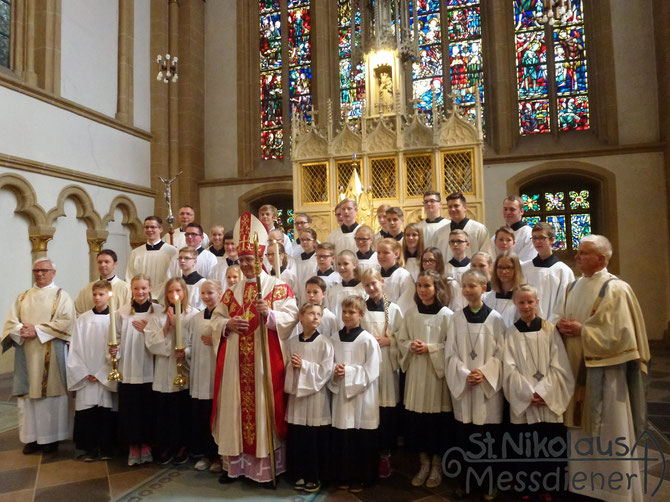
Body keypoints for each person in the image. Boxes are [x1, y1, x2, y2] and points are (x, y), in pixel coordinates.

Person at [555, 235, 649, 502]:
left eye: (584, 253)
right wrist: (562, 326)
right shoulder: (573, 286)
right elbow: (565, 317)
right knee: (579, 432)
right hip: (575, 369)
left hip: (607, 376)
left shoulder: (616, 289)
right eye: (579, 252)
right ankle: (584, 487)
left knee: (611, 430)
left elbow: (621, 336)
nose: (577, 257)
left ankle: (616, 490)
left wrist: (582, 331)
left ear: (601, 258)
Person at [209, 212, 298, 485]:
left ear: (262, 258)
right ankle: (235, 467)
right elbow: (215, 319)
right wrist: (226, 324)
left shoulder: (277, 286)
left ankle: (265, 468)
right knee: (235, 409)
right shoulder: (231, 291)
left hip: (263, 363)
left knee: (261, 410)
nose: (246, 264)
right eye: (243, 259)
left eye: (251, 259)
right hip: (235, 365)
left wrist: (270, 314)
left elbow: (291, 317)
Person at [502, 284, 574, 499]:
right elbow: (508, 368)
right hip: (525, 400)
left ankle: (549, 486)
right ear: (515, 303)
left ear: (537, 302)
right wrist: (527, 394)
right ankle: (526, 486)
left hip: (548, 400)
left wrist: (543, 392)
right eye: (521, 302)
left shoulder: (550, 330)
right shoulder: (511, 333)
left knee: (550, 446)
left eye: (530, 301)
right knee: (525, 446)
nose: (526, 306)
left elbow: (560, 365)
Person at [2, 258, 75, 454]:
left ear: (53, 272)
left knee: (50, 398)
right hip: (25, 353)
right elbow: (10, 322)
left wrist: (38, 330)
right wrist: (20, 330)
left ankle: (51, 439)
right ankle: (31, 438)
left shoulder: (61, 296)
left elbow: (67, 321)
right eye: (36, 271)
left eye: (44, 270)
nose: (40, 274)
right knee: (27, 398)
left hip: (51, 354)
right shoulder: (23, 297)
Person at [445, 269, 506, 499]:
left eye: (473, 286)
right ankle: (466, 481)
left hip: (486, 387)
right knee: (465, 436)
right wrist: (463, 373)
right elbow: (450, 354)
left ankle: (490, 482)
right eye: (465, 286)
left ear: (484, 288)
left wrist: (484, 372)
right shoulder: (456, 318)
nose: (468, 290)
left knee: (488, 437)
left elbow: (501, 355)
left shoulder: (496, 319)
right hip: (466, 386)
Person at [398, 270, 453, 488]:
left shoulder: (447, 315)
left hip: (436, 375)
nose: (422, 290)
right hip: (416, 373)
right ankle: (423, 463)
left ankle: (437, 465)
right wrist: (409, 345)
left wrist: (430, 348)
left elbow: (452, 347)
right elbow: (401, 339)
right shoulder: (411, 314)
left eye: (427, 286)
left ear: (437, 288)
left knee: (436, 422)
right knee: (418, 422)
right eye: (419, 285)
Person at [329, 295, 381, 492]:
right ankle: (343, 476)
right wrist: (334, 370)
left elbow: (373, 370)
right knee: (343, 438)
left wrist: (348, 372)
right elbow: (328, 363)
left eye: (352, 312)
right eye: (344, 311)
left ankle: (362, 478)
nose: (347, 315)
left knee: (361, 438)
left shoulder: (367, 340)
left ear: (361, 314)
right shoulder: (334, 338)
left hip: (363, 396)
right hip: (341, 395)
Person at [144, 277, 198, 465]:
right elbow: (152, 344)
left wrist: (179, 329)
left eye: (178, 291)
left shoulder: (193, 315)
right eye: (170, 291)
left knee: (181, 410)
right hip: (163, 371)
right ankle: (166, 445)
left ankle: (182, 446)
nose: (175, 295)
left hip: (183, 370)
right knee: (164, 410)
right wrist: (167, 325)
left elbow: (194, 343)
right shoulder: (156, 317)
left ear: (185, 292)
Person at [285, 302, 335, 493]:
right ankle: (298, 473)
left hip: (316, 398)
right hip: (297, 398)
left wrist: (304, 366)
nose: (315, 317)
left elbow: (326, 371)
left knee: (314, 438)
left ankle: (315, 476)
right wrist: (292, 367)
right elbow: (286, 368)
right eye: (311, 313)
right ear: (300, 317)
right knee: (299, 436)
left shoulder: (325, 343)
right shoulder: (292, 343)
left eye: (319, 314)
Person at [67, 280, 118, 461]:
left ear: (109, 295)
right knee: (87, 412)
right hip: (86, 374)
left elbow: (117, 348)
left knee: (106, 411)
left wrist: (103, 373)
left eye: (101, 294)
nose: (97, 297)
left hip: (105, 373)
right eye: (95, 294)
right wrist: (83, 372)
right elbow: (75, 348)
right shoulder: (83, 319)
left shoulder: (115, 318)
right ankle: (88, 448)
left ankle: (106, 448)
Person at [361, 268, 403, 479]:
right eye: (367, 285)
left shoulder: (393, 309)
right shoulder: (361, 309)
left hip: (387, 364)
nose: (371, 288)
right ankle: (368, 455)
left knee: (386, 412)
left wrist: (390, 341)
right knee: (369, 409)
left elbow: (403, 338)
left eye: (374, 283)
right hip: (368, 365)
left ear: (382, 282)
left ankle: (385, 456)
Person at [112, 274, 157, 465]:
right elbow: (117, 337)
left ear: (150, 288)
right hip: (129, 368)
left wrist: (149, 329)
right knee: (130, 410)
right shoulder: (122, 313)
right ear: (131, 289)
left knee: (148, 408)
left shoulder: (158, 311)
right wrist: (114, 350)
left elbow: (163, 337)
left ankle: (147, 445)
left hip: (150, 367)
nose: (140, 292)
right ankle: (132, 446)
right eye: (137, 288)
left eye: (144, 288)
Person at [187, 279, 223, 473]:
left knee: (215, 414)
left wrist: (217, 339)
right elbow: (190, 344)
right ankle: (204, 454)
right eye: (203, 293)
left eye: (210, 292)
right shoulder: (197, 318)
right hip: (199, 373)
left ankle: (218, 455)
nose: (206, 297)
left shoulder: (224, 315)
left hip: (216, 373)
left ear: (219, 293)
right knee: (201, 414)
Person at [521, 222, 575, 322]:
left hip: (553, 327)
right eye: (534, 238)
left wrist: (551, 325)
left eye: (541, 238)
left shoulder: (563, 271)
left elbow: (564, 303)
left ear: (552, 239)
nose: (537, 242)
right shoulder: (525, 268)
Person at [126, 216, 177, 300]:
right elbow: (130, 277)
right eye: (146, 227)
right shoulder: (136, 253)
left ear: (160, 229)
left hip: (164, 298)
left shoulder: (172, 251)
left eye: (153, 227)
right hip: (140, 298)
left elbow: (173, 277)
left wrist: (158, 295)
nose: (149, 230)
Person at [435, 192, 494, 262]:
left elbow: (487, 256)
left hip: (472, 272)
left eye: (456, 206)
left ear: (465, 208)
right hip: (447, 272)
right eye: (450, 207)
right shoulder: (441, 233)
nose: (453, 209)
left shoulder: (479, 230)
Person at [74, 249, 131, 315]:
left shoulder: (126, 288)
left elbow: (129, 313)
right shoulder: (87, 289)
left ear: (115, 264)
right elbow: (78, 312)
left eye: (107, 262)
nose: (102, 265)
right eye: (100, 262)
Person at [483, 251, 525, 327]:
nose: (504, 271)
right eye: (500, 267)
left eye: (508, 267)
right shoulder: (489, 297)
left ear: (516, 269)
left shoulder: (523, 297)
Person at [326, 250, 366, 325]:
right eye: (339, 264)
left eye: (345, 264)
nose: (341, 267)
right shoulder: (333, 291)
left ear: (354, 265)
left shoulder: (363, 289)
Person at [377, 238, 416, 312]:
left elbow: (406, 305)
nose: (381, 256)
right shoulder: (375, 274)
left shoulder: (404, 276)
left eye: (386, 253)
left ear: (396, 254)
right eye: (379, 252)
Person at [500, 196, 534, 261]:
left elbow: (527, 261)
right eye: (505, 209)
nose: (508, 212)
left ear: (521, 211)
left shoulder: (528, 234)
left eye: (512, 209)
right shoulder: (498, 235)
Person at [176, 246, 207, 310]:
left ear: (195, 262)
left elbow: (204, 306)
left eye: (186, 258)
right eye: (180, 258)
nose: (182, 261)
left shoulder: (202, 283)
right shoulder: (177, 282)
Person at [294, 228, 318, 304]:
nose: (304, 242)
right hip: (300, 294)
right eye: (302, 240)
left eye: (308, 239)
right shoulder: (297, 259)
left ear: (314, 242)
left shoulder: (317, 258)